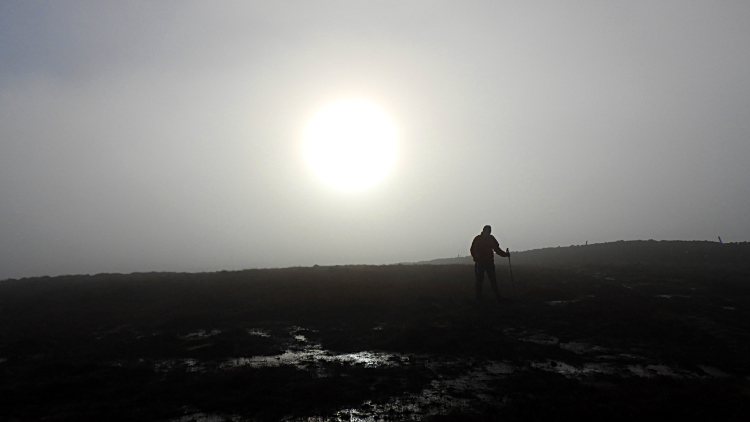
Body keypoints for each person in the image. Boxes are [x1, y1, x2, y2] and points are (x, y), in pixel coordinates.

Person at [470, 225, 509, 302]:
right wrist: (475, 256)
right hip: (482, 263)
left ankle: (492, 297)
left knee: (489, 281)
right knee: (481, 281)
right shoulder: (482, 239)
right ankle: (480, 298)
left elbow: (497, 249)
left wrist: (505, 254)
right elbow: (472, 249)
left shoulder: (484, 238)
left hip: (486, 262)